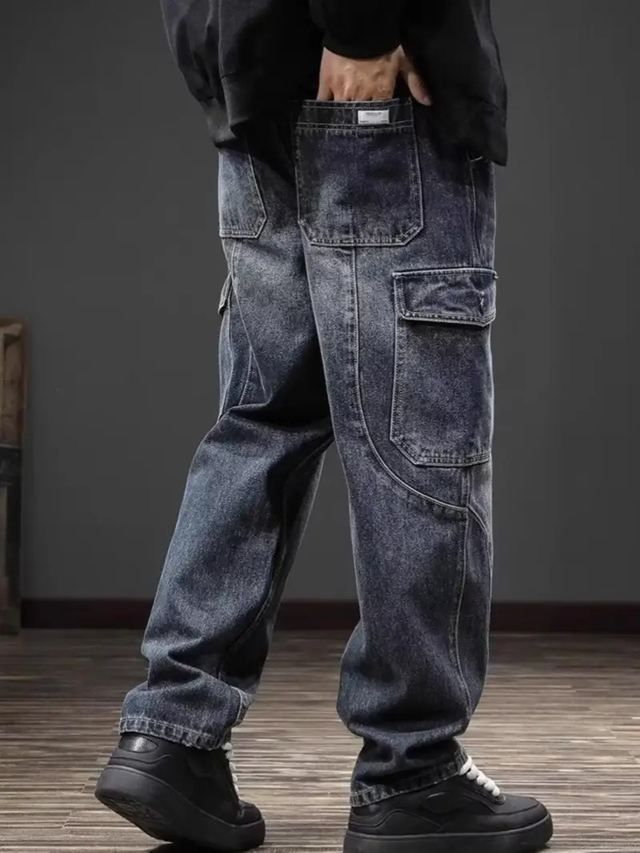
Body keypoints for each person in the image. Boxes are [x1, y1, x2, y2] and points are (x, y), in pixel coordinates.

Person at [95, 2, 553, 851]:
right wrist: (361, 26)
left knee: (264, 419)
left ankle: (172, 734)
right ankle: (413, 771)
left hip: (253, 85)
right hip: (368, 81)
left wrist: (230, 60)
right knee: (418, 439)